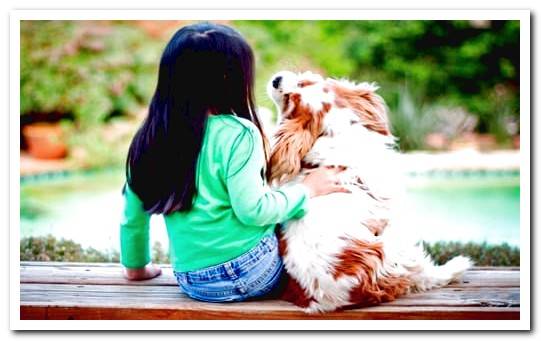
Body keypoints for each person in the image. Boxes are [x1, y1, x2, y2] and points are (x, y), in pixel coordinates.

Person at [120, 22, 347, 303]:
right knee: (297, 215)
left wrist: (136, 268)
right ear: (232, 79)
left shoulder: (151, 137)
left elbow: (133, 217)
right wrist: (308, 189)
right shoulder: (239, 134)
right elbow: (254, 210)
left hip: (192, 280)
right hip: (250, 273)